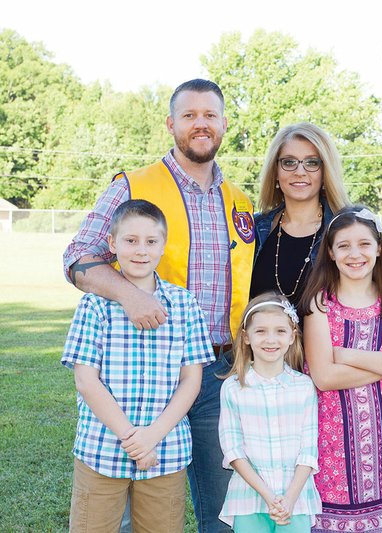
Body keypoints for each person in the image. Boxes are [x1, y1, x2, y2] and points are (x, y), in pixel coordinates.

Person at [63, 79, 254, 532]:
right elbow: (78, 255)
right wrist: (131, 294)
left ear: (224, 124)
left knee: (223, 508)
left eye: (210, 115)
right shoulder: (134, 185)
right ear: (171, 124)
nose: (200, 123)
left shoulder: (239, 202)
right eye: (189, 115)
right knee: (128, 500)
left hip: (215, 371)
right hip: (140, 368)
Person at [61, 199, 215, 532]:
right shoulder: (93, 305)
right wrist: (132, 438)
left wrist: (153, 437)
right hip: (101, 450)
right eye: (130, 241)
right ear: (113, 244)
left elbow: (191, 379)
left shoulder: (184, 304)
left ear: (163, 245)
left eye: (150, 241)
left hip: (165, 451)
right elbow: (87, 381)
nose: (141, 250)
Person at [298, 206, 382, 531]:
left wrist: (343, 354)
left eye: (364, 244)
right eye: (343, 245)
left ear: (379, 248)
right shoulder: (320, 303)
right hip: (333, 438)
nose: (355, 254)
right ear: (330, 252)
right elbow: (325, 378)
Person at [218, 292, 321, 531]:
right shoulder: (233, 388)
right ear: (246, 337)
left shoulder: (304, 386)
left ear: (292, 336)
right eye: (261, 331)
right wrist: (268, 496)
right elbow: (233, 451)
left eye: (280, 331)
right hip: (249, 498)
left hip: (296, 499)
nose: (270, 340)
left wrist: (289, 499)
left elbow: (308, 450)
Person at [251, 122, 350, 307]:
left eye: (312, 162)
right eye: (289, 162)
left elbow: (375, 293)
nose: (299, 172)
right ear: (275, 172)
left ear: (325, 171)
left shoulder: (348, 229)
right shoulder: (253, 229)